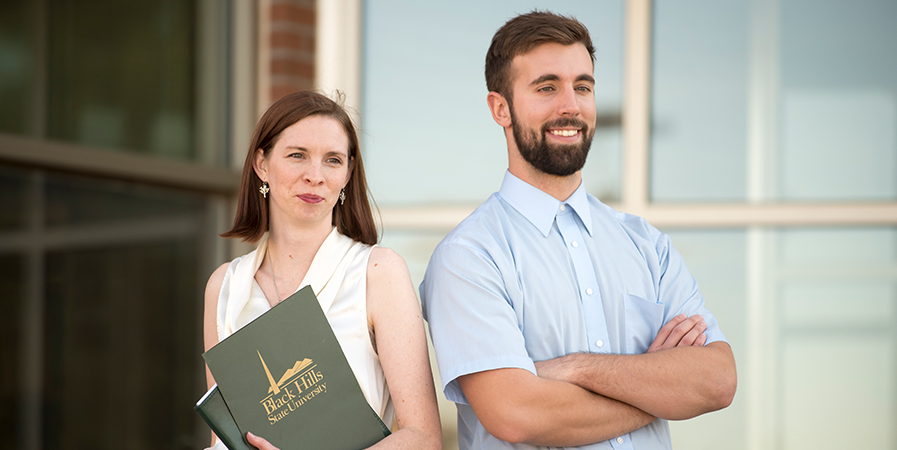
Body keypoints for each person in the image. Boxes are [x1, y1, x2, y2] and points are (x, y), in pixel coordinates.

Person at [420, 11, 736, 450]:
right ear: (500, 108)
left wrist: (575, 369)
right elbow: (517, 414)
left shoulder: (646, 244)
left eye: (582, 87)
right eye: (547, 87)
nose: (571, 105)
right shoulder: (469, 257)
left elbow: (717, 381)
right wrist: (660, 387)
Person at [203, 91, 442, 450]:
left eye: (332, 160)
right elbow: (224, 437)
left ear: (347, 173)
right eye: (297, 155)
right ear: (261, 165)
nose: (315, 176)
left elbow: (424, 439)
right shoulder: (224, 287)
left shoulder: (377, 272)